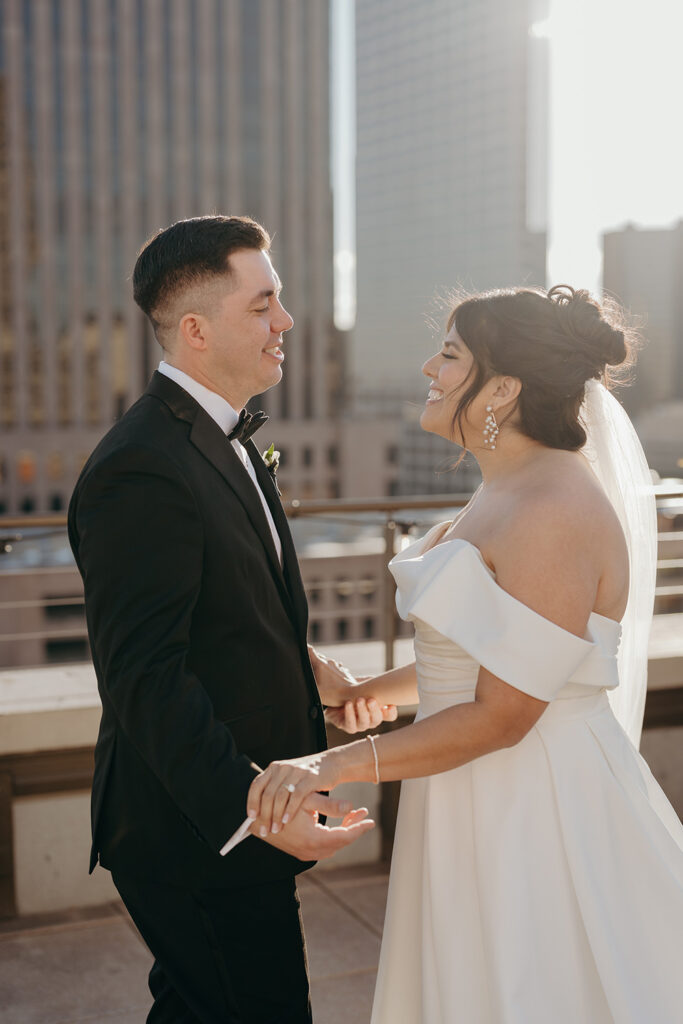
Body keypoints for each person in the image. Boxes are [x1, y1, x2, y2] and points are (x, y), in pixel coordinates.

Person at [246, 285, 683, 1023]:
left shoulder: (554, 506)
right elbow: (490, 656)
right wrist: (360, 690)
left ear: (503, 389)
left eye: (449, 354)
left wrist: (331, 765)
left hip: (533, 799)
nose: (429, 368)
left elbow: (505, 713)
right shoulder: (505, 488)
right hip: (467, 785)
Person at [67, 215, 391, 1024]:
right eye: (262, 305)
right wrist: (257, 811)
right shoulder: (141, 466)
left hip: (228, 818)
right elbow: (145, 677)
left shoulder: (223, 440)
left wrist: (310, 671)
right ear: (195, 330)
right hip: (197, 831)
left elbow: (225, 607)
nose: (286, 320)